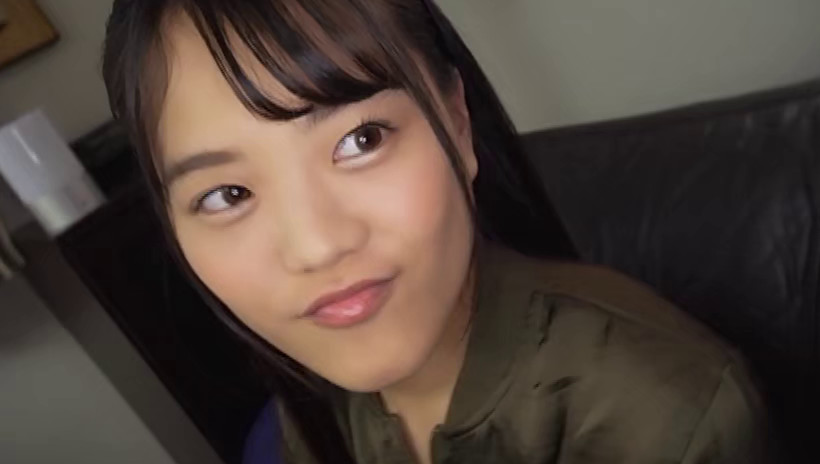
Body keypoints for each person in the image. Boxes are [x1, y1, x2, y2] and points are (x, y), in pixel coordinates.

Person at [102, 0, 769, 462]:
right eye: (228, 195)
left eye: (361, 140)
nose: (316, 246)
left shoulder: (666, 417)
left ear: (456, 122)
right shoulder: (308, 406)